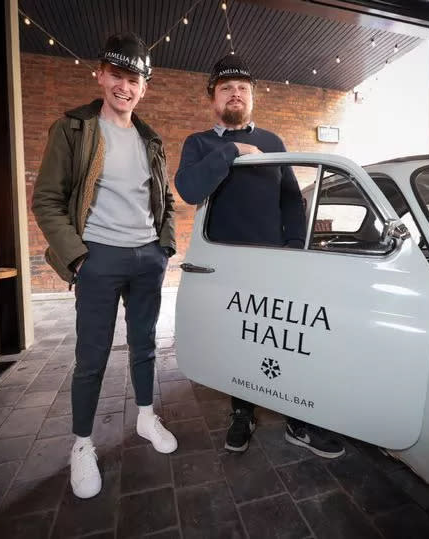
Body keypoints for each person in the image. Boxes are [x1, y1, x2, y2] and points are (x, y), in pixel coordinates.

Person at [174, 54, 345, 459]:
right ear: (212, 98)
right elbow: (189, 189)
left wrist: (295, 250)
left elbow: (291, 201)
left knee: (284, 340)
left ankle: (295, 420)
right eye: (226, 89)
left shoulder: (273, 142)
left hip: (275, 264)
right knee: (240, 340)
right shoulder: (199, 144)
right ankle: (242, 411)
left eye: (243, 89)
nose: (236, 94)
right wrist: (231, 150)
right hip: (228, 265)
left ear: (252, 97)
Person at [32, 33, 178, 499]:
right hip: (98, 258)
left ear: (144, 87)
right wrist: (78, 258)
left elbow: (166, 202)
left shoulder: (150, 139)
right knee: (90, 358)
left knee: (145, 346)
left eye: (134, 79)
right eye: (117, 75)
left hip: (146, 259)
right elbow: (47, 199)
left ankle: (146, 417)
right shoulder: (74, 128)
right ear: (100, 75)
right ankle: (82, 445)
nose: (124, 86)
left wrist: (164, 248)